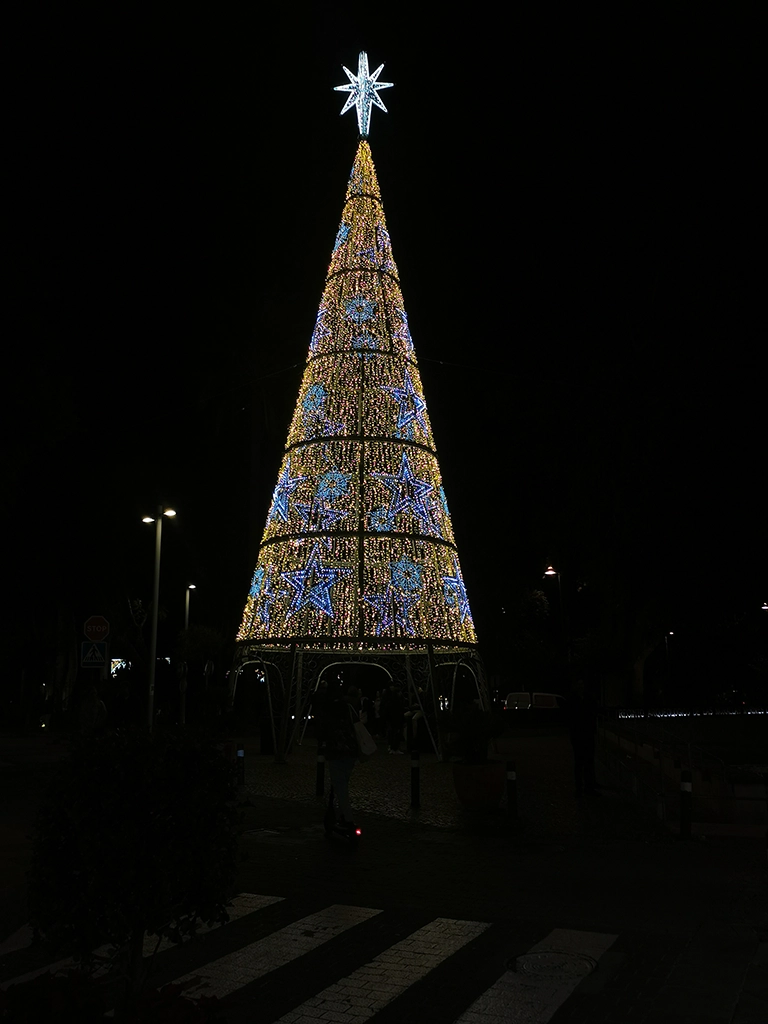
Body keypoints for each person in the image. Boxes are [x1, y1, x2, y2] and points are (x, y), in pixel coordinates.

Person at [317, 684, 362, 830]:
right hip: (350, 751)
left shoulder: (328, 710)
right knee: (343, 783)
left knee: (340, 786)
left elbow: (323, 731)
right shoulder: (348, 708)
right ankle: (343, 815)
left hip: (335, 751)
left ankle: (348, 819)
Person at [568, 678, 599, 796]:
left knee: (586, 762)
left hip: (585, 733)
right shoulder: (576, 699)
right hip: (579, 734)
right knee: (581, 762)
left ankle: (587, 787)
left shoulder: (585, 699)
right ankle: (581, 787)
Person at [379, 684, 405, 753]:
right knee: (396, 733)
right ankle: (395, 748)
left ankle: (392, 747)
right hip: (396, 719)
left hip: (392, 719)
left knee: (392, 733)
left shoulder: (390, 700)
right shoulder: (397, 702)